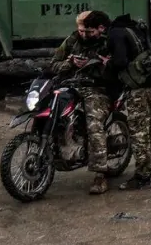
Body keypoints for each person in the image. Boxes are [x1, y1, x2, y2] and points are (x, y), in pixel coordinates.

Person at [50, 10, 119, 194]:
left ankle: (100, 175)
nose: (85, 35)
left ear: (99, 29)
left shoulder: (107, 42)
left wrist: (100, 63)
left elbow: (117, 68)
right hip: (71, 87)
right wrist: (71, 63)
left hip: (98, 89)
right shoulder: (72, 41)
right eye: (82, 31)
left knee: (94, 124)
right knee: (52, 114)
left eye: (89, 32)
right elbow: (53, 64)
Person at [108, 14, 151, 191]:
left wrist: (107, 63)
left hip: (138, 89)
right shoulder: (138, 28)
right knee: (150, 130)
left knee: (139, 133)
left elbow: (120, 61)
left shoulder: (116, 33)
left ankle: (142, 177)